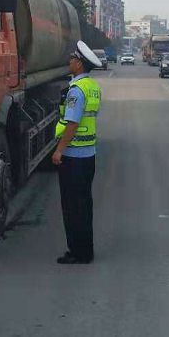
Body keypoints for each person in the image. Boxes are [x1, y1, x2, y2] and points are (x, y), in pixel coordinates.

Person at [52, 41, 103, 265]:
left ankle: (77, 252)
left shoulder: (76, 90)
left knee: (73, 207)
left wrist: (59, 150)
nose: (70, 61)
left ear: (80, 64)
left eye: (73, 59)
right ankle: (86, 250)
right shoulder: (92, 86)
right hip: (88, 155)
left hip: (73, 157)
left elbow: (72, 123)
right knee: (84, 205)